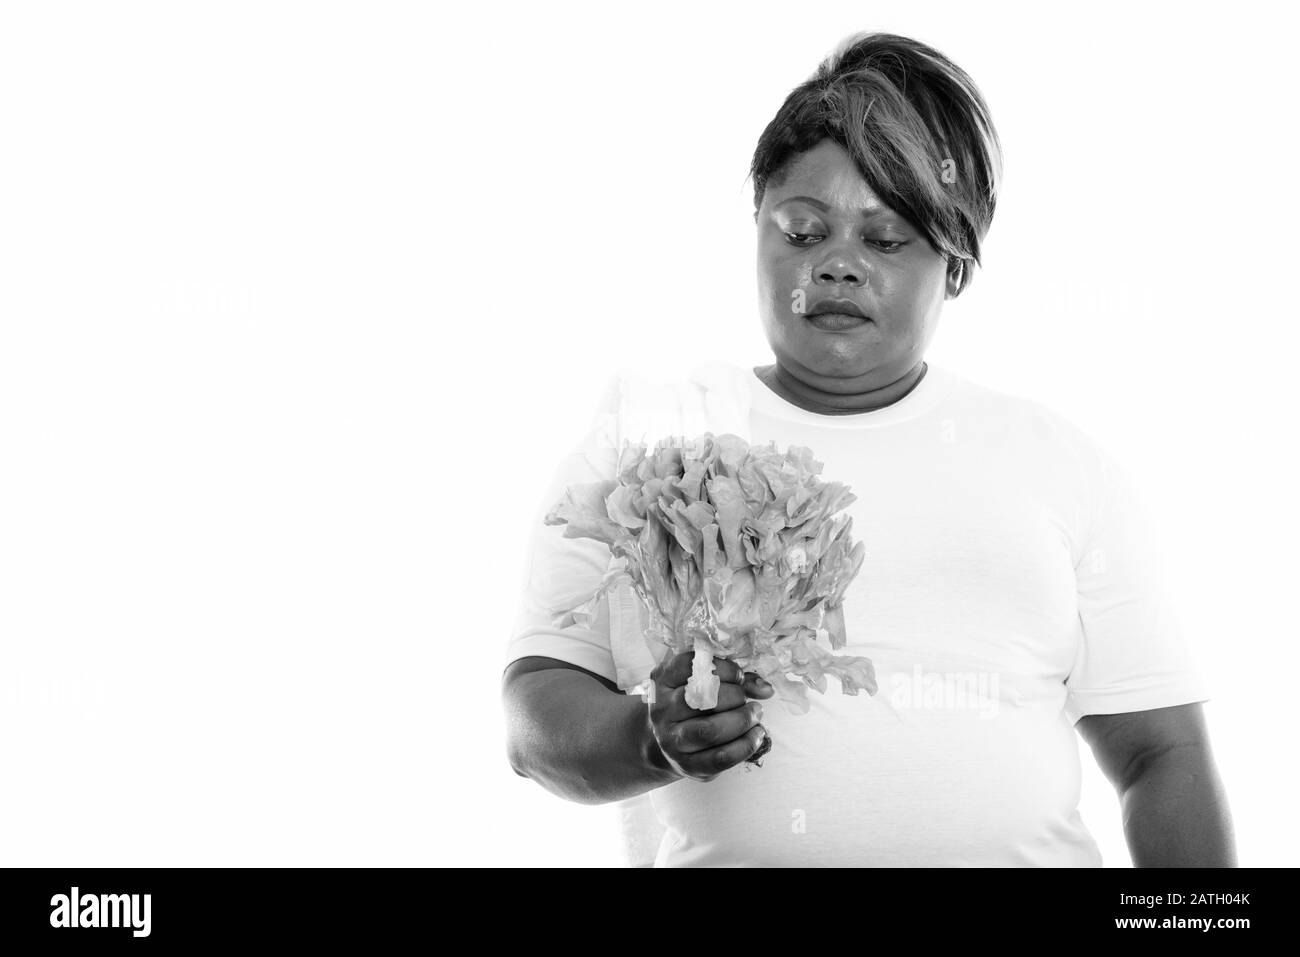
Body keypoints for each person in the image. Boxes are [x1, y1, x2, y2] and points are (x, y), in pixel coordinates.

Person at [501, 31, 1236, 867]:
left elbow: (1160, 755)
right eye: (804, 231)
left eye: (886, 241)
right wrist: (647, 738)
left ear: (955, 266)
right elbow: (535, 715)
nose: (839, 266)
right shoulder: (648, 442)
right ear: (756, 232)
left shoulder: (1058, 464)